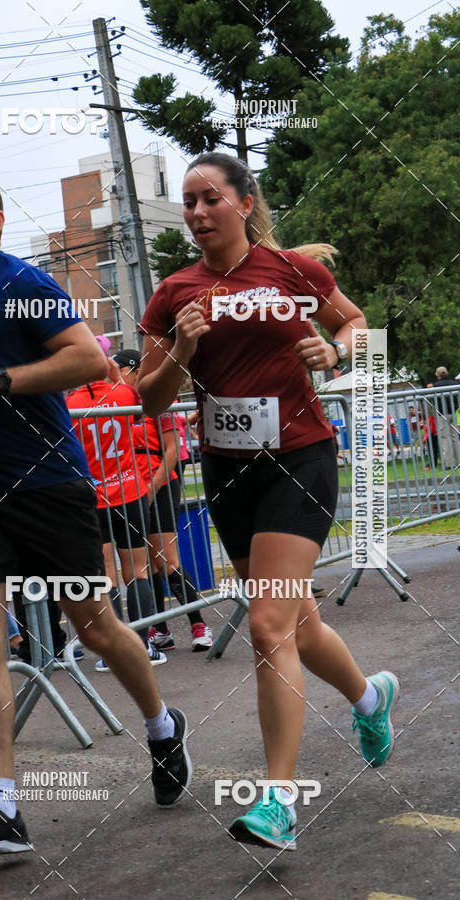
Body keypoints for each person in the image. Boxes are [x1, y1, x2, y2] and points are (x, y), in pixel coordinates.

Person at [0, 173, 191, 858]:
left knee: (95, 627)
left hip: (46, 484)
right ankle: (1, 808)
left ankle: (162, 726)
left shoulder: (24, 284)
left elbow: (88, 360)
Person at [137, 151, 399, 851]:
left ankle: (278, 801)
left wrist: (336, 353)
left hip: (299, 463)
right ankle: (371, 698)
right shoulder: (174, 292)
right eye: (189, 202)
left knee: (267, 624)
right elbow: (149, 399)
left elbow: (356, 324)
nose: (197, 213)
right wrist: (181, 350)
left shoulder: (291, 272)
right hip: (229, 476)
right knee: (298, 626)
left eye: (210, 198)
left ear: (245, 203)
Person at [66, 352, 166, 672]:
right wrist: (114, 376)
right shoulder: (124, 392)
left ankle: (114, 650)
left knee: (106, 574)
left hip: (93, 497)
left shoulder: (69, 405)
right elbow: (137, 406)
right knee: (137, 571)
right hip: (128, 491)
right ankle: (142, 644)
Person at [122, 351, 214, 652]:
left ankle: (199, 625)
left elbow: (173, 451)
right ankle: (160, 629)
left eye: (120, 369)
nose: (116, 376)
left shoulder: (159, 398)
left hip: (159, 484)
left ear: (134, 370)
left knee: (165, 559)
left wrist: (151, 489)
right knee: (147, 563)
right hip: (131, 489)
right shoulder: (119, 402)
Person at [432, 366, 459, 470]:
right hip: (453, 412)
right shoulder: (454, 383)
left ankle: (448, 464)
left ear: (437, 374)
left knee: (445, 438)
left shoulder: (436, 385)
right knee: (455, 437)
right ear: (446, 372)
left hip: (442, 414)